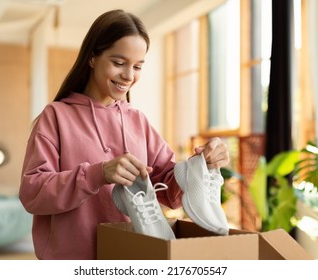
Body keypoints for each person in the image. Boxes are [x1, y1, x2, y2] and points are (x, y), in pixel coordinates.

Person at [19, 9, 230, 260]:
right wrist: (98, 173)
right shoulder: (55, 117)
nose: (129, 76)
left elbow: (169, 191)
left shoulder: (137, 120)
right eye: (118, 63)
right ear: (92, 58)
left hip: (132, 258)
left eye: (137, 66)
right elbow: (32, 194)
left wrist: (201, 166)